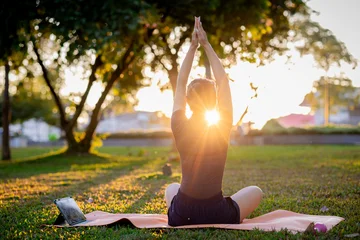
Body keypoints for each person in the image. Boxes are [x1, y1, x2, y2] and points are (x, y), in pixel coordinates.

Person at [165, 17, 263, 226]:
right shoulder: (222, 124)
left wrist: (192, 47)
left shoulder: (178, 123)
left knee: (171, 189)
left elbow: (180, 83)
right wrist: (206, 45)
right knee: (256, 192)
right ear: (215, 100)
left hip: (182, 214)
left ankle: (182, 212)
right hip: (217, 212)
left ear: (187, 101)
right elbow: (223, 81)